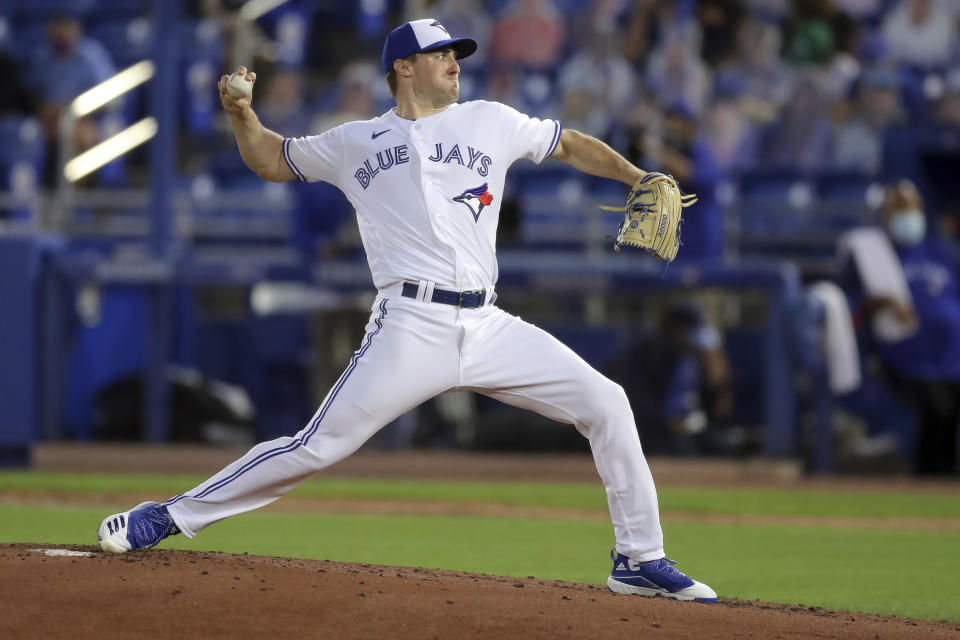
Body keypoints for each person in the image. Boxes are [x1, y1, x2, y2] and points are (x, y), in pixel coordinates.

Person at [96, 18, 717, 602]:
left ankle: (639, 559)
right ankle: (168, 515)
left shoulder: (490, 120)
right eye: (441, 54)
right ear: (403, 67)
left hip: (487, 324)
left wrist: (639, 177)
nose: (454, 63)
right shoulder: (355, 141)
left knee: (607, 402)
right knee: (316, 447)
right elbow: (269, 159)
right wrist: (241, 114)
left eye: (457, 55)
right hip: (409, 324)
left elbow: (571, 144)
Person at [843, 179, 960, 474]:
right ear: (886, 215)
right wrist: (882, 302)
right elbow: (850, 306)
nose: (908, 215)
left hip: (951, 355)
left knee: (948, 411)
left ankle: (941, 478)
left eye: (912, 207)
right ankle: (931, 476)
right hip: (906, 356)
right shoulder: (874, 256)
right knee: (937, 408)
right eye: (900, 208)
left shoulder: (940, 253)